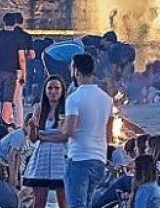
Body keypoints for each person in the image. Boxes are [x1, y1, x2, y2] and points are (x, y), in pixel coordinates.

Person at [48, 53, 111, 208]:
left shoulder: (74, 98)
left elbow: (68, 132)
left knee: (76, 204)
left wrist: (45, 136)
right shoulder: (106, 99)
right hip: (99, 158)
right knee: (88, 203)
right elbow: (108, 134)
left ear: (76, 71)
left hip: (79, 158)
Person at [24, 76, 67, 208]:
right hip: (42, 156)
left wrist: (43, 135)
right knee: (39, 202)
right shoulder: (39, 109)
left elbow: (64, 135)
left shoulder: (66, 110)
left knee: (64, 202)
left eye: (56, 88)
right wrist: (32, 128)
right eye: (50, 88)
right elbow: (33, 138)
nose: (53, 91)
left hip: (60, 156)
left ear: (62, 91)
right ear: (45, 91)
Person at [0, 13, 27, 127]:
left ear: (4, 22)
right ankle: (6, 123)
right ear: (15, 23)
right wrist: (24, 74)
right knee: (8, 100)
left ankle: (3, 121)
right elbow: (22, 58)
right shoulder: (18, 38)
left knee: (2, 99)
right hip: (11, 71)